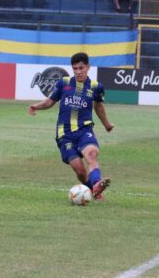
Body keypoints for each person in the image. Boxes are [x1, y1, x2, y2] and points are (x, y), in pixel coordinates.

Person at [28, 52, 113, 201]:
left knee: (92, 154)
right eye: (75, 68)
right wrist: (36, 106)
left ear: (88, 67)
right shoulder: (64, 83)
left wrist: (106, 124)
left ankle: (97, 183)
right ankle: (93, 189)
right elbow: (49, 102)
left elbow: (98, 107)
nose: (78, 72)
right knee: (79, 169)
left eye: (81, 68)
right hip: (65, 134)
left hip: (85, 130)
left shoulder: (96, 87)